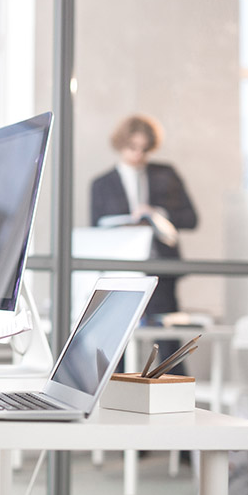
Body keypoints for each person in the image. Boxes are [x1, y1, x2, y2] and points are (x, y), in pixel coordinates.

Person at [90, 114, 198, 370]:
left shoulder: (166, 175)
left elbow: (191, 218)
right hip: (121, 271)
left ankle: (174, 398)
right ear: (120, 144)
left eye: (144, 149)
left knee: (169, 344)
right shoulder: (102, 184)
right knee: (115, 341)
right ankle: (112, 397)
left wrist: (158, 213)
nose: (138, 155)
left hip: (161, 269)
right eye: (132, 148)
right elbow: (97, 228)